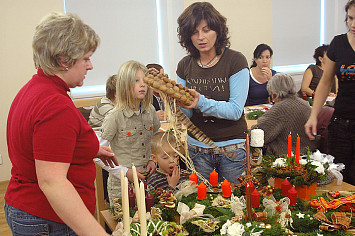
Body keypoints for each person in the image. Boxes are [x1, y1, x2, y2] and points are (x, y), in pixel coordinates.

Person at [4, 12, 117, 236]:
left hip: (26, 208)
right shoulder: (55, 106)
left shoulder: (36, 88)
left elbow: (43, 145)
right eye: (86, 58)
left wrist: (91, 149)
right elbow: (52, 182)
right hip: (48, 220)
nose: (91, 66)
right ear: (64, 60)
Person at [176, 2, 249, 184]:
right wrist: (177, 103)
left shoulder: (235, 61)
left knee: (235, 205)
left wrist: (200, 101)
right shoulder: (185, 65)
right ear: (188, 36)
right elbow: (187, 114)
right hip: (197, 149)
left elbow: (234, 111)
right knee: (202, 207)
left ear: (218, 31)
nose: (201, 37)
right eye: (194, 32)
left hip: (232, 149)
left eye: (206, 30)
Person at [305, 0, 355, 185]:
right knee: (338, 179)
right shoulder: (339, 43)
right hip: (341, 123)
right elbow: (325, 82)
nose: (353, 24)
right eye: (350, 18)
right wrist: (313, 116)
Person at [100, 60, 160, 206]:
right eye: (136, 81)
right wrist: (124, 171)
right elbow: (98, 154)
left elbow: (156, 138)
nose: (143, 85)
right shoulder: (114, 116)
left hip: (147, 183)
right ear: (124, 85)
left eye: (145, 80)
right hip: (122, 187)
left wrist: (153, 159)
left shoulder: (150, 110)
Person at [251, 73, 318, 155]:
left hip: (288, 157)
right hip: (308, 152)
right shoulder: (304, 104)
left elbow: (259, 135)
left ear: (273, 93)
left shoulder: (280, 109)